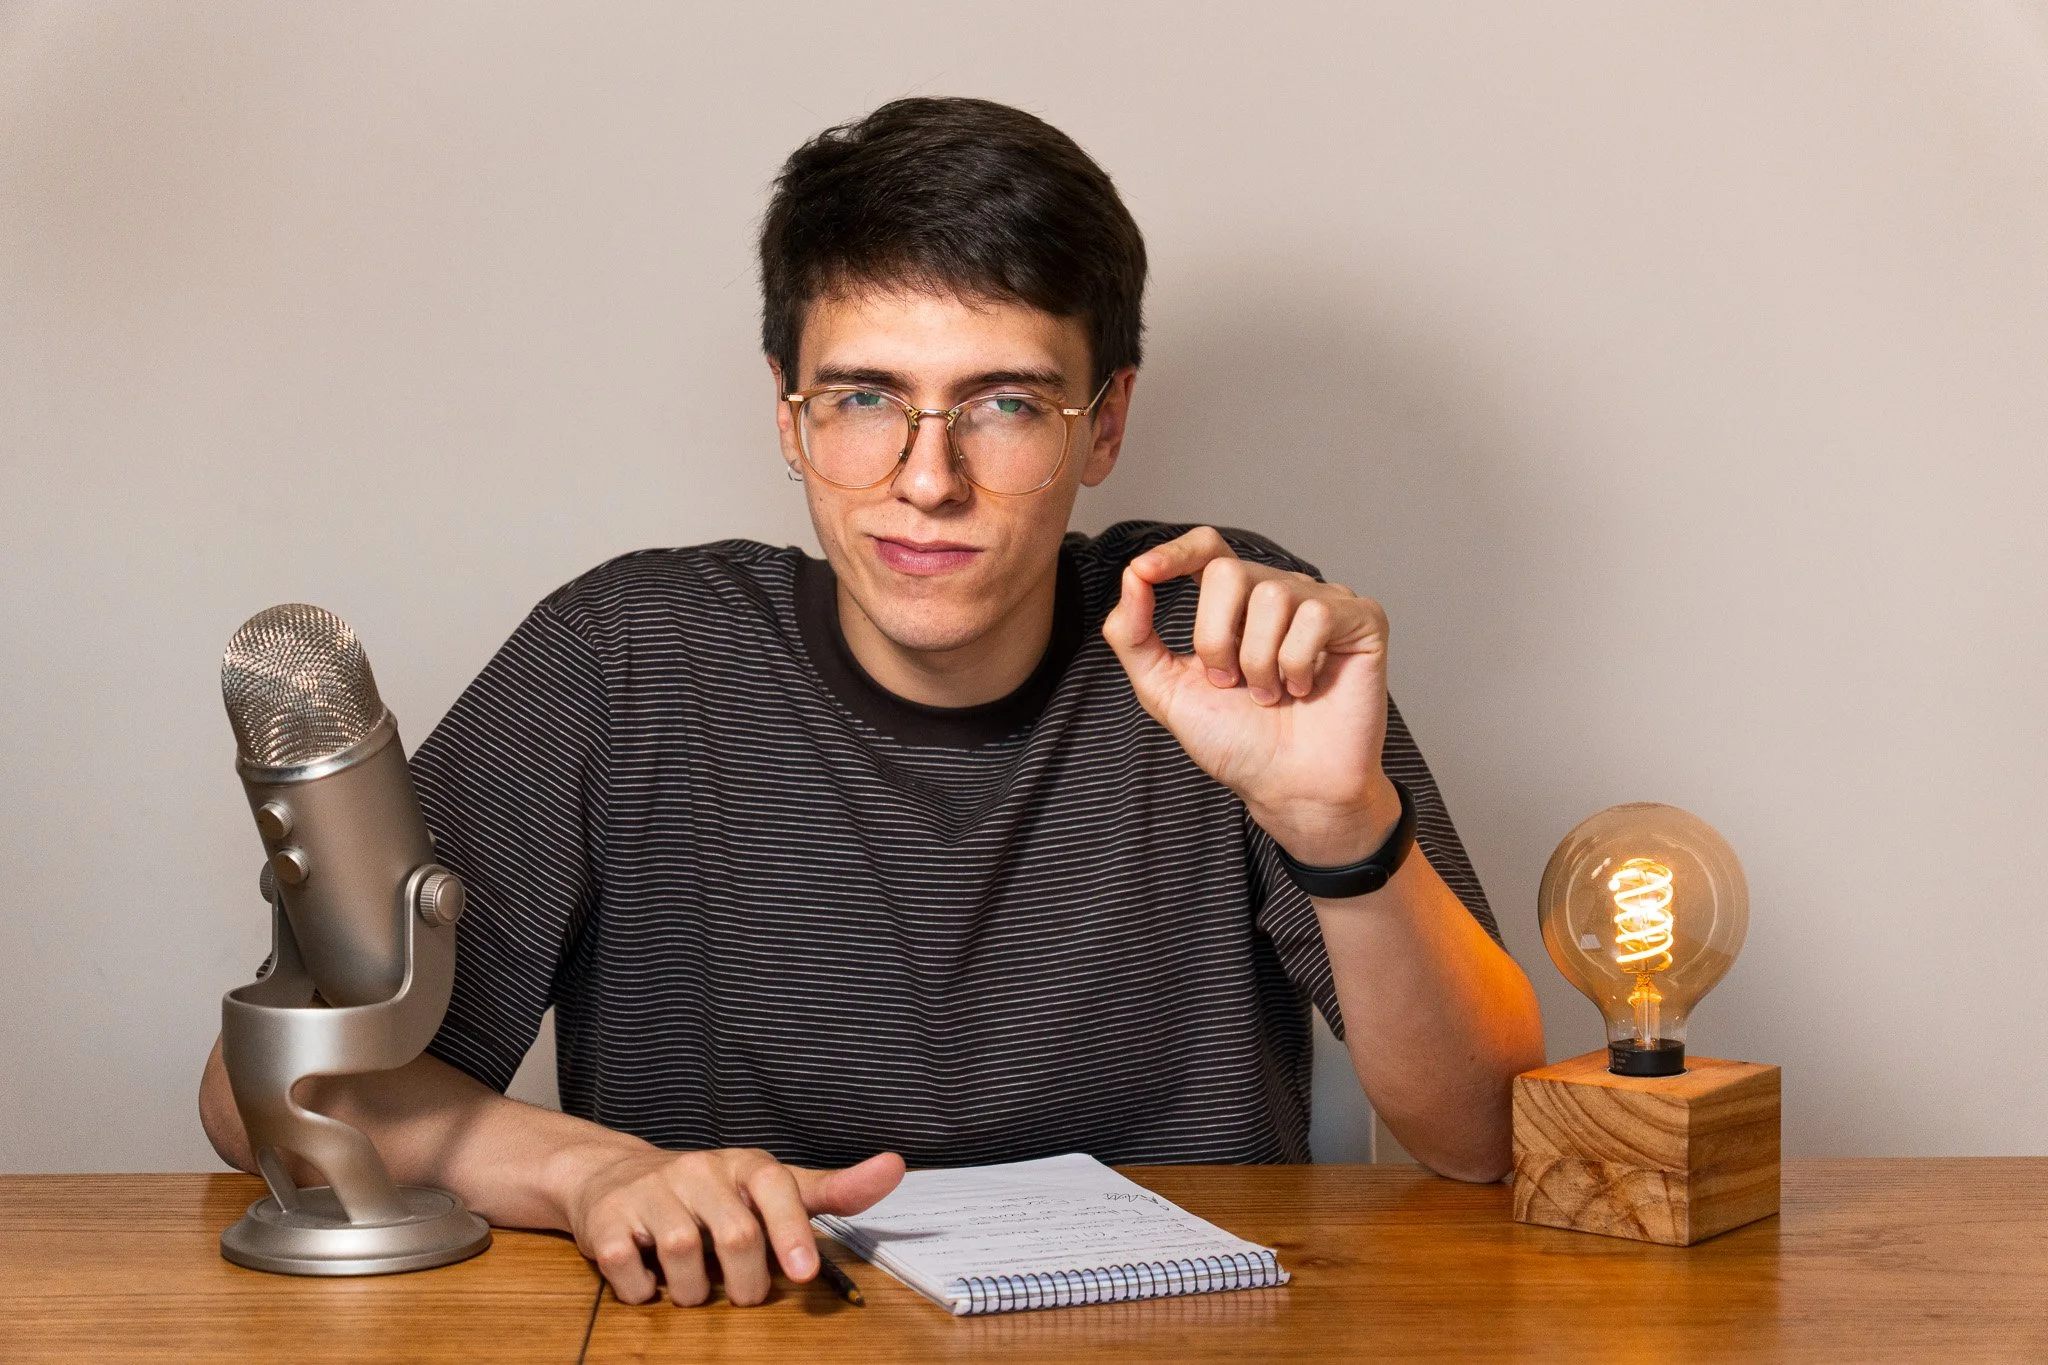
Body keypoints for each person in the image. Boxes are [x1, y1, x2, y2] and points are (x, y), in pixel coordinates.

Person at [199, 96, 1545, 1308]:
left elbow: (1486, 1137)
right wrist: (589, 1175)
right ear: (788, 420)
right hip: (738, 1331)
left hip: (1169, 1342)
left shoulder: (1221, 640)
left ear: (1107, 422)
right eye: (863, 398)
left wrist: (1339, 824)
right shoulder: (625, 660)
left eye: (1004, 404)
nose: (926, 478)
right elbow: (268, 1098)